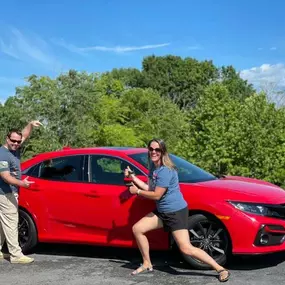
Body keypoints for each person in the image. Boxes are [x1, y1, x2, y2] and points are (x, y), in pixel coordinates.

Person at [124, 138, 230, 282]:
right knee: (138, 229)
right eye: (151, 149)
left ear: (163, 152)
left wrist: (137, 192)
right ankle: (147, 263)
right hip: (162, 212)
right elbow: (149, 188)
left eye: (157, 150)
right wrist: (133, 177)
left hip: (175, 212)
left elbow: (156, 195)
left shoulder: (165, 171)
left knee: (186, 248)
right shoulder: (154, 168)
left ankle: (220, 269)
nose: (154, 152)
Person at [0, 120, 42, 264]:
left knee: (3, 222)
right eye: (13, 141)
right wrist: (22, 184)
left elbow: (24, 135)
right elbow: (5, 177)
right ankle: (16, 255)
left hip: (9, 192)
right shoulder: (3, 155)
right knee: (11, 222)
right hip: (5, 193)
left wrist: (30, 125)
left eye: (18, 142)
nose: (16, 143)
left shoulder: (15, 148)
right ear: (7, 139)